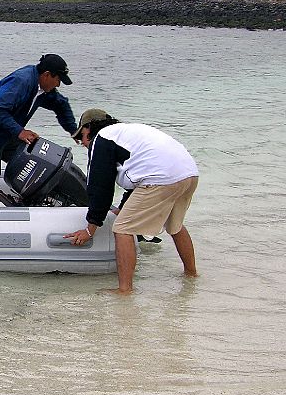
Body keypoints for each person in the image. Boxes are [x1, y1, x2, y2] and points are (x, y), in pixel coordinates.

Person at [65, 109, 199, 295]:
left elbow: (100, 186)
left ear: (89, 128)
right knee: (174, 225)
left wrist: (90, 228)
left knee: (123, 229)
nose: (83, 144)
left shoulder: (102, 138)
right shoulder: (125, 133)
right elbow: (137, 176)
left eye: (81, 137)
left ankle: (125, 290)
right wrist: (122, 208)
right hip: (189, 173)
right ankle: (191, 274)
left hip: (160, 178)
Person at [0, 53, 76, 207]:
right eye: (58, 80)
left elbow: (60, 104)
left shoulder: (42, 89)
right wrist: (20, 131)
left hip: (5, 133)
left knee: (36, 157)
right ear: (47, 75)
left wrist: (75, 132)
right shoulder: (22, 81)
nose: (58, 85)